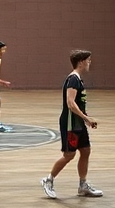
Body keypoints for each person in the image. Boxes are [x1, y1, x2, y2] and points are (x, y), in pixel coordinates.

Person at [41, 50, 102, 199]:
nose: (89, 63)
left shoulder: (78, 79)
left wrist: (84, 119)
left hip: (78, 123)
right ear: (81, 62)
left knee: (86, 151)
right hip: (70, 124)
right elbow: (70, 103)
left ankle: (83, 185)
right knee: (69, 155)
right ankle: (48, 180)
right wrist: (86, 118)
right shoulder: (73, 79)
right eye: (88, 60)